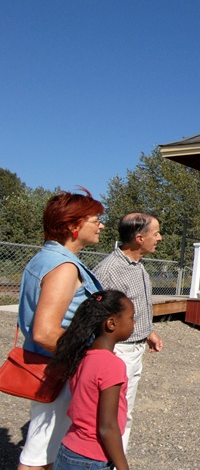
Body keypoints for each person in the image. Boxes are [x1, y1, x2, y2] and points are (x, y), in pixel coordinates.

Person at [17, 188, 105, 470]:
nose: (101, 225)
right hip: (60, 373)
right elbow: (45, 332)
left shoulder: (45, 259)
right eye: (95, 219)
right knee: (39, 459)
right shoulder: (63, 266)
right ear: (73, 226)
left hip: (51, 370)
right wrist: (88, 362)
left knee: (46, 453)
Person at [93, 212, 163, 449]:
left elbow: (134, 306)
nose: (160, 238)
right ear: (139, 238)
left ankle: (115, 459)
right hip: (117, 353)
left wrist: (148, 331)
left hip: (134, 348)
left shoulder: (137, 266)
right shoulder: (110, 270)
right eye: (156, 233)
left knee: (125, 411)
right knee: (111, 413)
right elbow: (99, 317)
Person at [49, 290, 135, 470]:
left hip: (69, 450)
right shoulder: (111, 365)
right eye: (131, 317)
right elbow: (107, 426)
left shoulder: (81, 356)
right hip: (92, 459)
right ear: (112, 323)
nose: (133, 322)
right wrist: (123, 466)